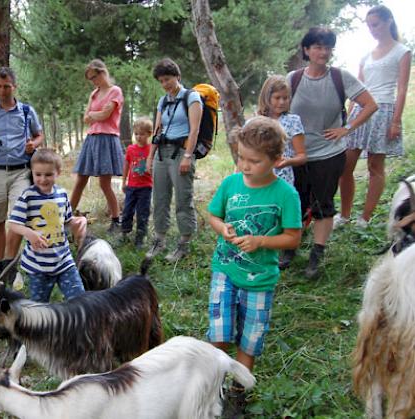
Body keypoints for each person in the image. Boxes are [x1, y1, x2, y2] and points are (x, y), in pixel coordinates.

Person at [206, 117, 302, 417]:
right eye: (241, 158)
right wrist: (222, 229)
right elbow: (213, 215)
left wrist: (261, 241)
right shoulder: (231, 183)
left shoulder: (286, 194)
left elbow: (293, 237)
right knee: (219, 334)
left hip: (260, 280)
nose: (245, 166)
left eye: (254, 161)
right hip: (226, 269)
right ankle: (214, 385)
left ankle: (238, 392)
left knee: (249, 338)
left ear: (276, 160)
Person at [287, 27, 377, 278]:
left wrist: (346, 129)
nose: (323, 52)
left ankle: (317, 253)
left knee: (323, 204)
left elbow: (370, 104)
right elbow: (275, 109)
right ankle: (290, 247)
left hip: (329, 153)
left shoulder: (340, 77)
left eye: (327, 47)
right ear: (306, 50)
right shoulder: (292, 79)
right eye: (317, 47)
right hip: (297, 154)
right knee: (295, 203)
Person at [337, 5, 412, 229]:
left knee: (375, 166)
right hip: (361, 111)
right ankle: (345, 214)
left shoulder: (402, 52)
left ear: (389, 21)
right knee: (345, 166)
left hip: (384, 111)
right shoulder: (366, 56)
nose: (372, 29)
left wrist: (396, 121)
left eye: (376, 24)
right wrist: (347, 120)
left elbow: (401, 89)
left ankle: (365, 218)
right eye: (369, 26)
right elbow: (356, 90)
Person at [0, 67, 44, 278]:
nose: (3, 91)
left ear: (15, 87)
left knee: (17, 217)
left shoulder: (26, 111)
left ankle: (9, 262)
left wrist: (33, 144)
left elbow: (38, 135)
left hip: (21, 171)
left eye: (7, 86)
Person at [8, 148, 86, 302]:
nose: (43, 179)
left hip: (63, 260)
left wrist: (79, 222)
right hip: (38, 266)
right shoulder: (28, 196)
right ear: (32, 172)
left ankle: (77, 325)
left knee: (79, 300)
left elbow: (67, 222)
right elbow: (13, 224)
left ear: (58, 172)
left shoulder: (62, 194)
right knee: (39, 306)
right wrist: (30, 234)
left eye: (48, 174)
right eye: (38, 174)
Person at [145, 58, 202, 262]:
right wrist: (150, 156)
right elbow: (157, 129)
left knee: (183, 198)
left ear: (177, 76)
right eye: (161, 81)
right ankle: (159, 240)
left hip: (181, 152)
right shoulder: (163, 100)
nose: (165, 84)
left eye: (167, 79)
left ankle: (184, 243)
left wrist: (188, 155)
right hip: (162, 152)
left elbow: (194, 129)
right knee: (159, 198)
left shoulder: (192, 97)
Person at [70, 59, 125, 233]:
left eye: (94, 77)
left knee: (104, 183)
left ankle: (116, 220)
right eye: (90, 79)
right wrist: (95, 115)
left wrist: (94, 115)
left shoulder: (115, 91)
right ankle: (67, 216)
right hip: (92, 139)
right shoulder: (94, 94)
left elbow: (105, 115)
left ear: (102, 73)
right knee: (80, 180)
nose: (93, 82)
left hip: (107, 139)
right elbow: (86, 117)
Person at [256, 75, 307, 186]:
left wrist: (287, 162)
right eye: (277, 98)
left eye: (286, 98)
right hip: (258, 178)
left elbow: (302, 156)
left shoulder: (293, 121)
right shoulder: (256, 122)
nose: (282, 102)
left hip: (283, 181)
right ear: (267, 97)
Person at [120, 117, 154, 248]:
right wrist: (124, 181)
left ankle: (140, 237)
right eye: (136, 134)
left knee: (143, 212)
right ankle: (125, 234)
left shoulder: (151, 150)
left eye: (142, 134)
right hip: (131, 187)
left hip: (145, 187)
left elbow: (154, 167)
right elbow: (126, 165)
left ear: (149, 134)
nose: (139, 137)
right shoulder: (130, 149)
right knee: (127, 210)